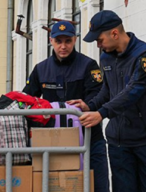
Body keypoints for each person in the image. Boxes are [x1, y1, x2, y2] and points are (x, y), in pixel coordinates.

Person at [67, 10, 146, 192]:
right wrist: (90, 106)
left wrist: (102, 113)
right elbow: (107, 90)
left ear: (114, 33)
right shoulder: (106, 57)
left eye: (99, 40)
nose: (98, 45)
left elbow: (134, 91)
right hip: (118, 142)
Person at [22, 20, 109, 192]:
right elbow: (27, 99)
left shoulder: (89, 65)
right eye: (59, 41)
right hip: (54, 142)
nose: (63, 46)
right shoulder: (41, 69)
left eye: (67, 41)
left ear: (75, 40)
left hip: (90, 138)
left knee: (98, 186)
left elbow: (100, 95)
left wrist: (88, 104)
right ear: (51, 40)